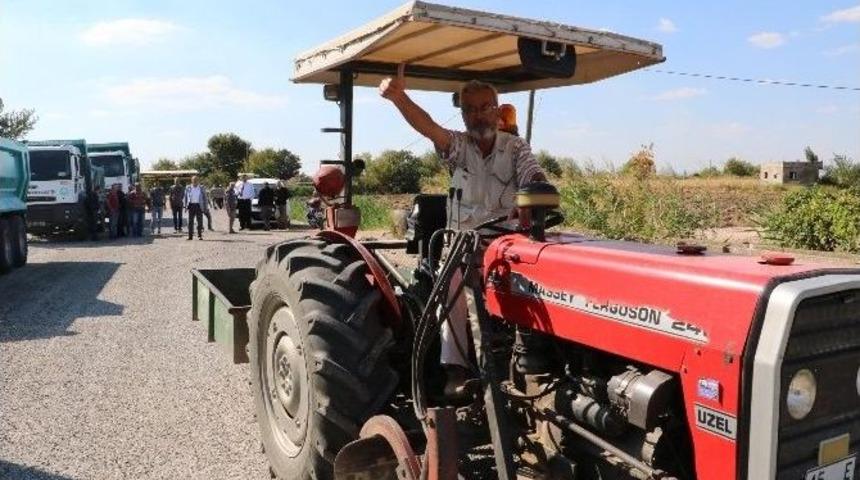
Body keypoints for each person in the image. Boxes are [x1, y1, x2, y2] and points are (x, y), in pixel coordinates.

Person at [380, 65, 546, 398]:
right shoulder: (458, 147)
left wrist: (533, 193)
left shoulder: (515, 147)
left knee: (545, 272)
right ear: (464, 114)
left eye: (485, 107)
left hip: (506, 244)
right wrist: (400, 99)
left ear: (496, 111)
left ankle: (539, 357)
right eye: (469, 109)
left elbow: (533, 174)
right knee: (451, 281)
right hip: (462, 245)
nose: (478, 115)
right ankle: (455, 369)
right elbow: (429, 128)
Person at [184, 176, 208, 240]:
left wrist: (206, 207)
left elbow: (205, 198)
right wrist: (185, 206)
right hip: (191, 206)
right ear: (191, 180)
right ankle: (190, 236)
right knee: (190, 222)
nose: (195, 181)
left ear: (198, 180)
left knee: (200, 221)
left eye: (196, 180)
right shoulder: (188, 187)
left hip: (199, 206)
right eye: (194, 180)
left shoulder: (201, 188)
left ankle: (199, 235)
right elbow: (185, 197)